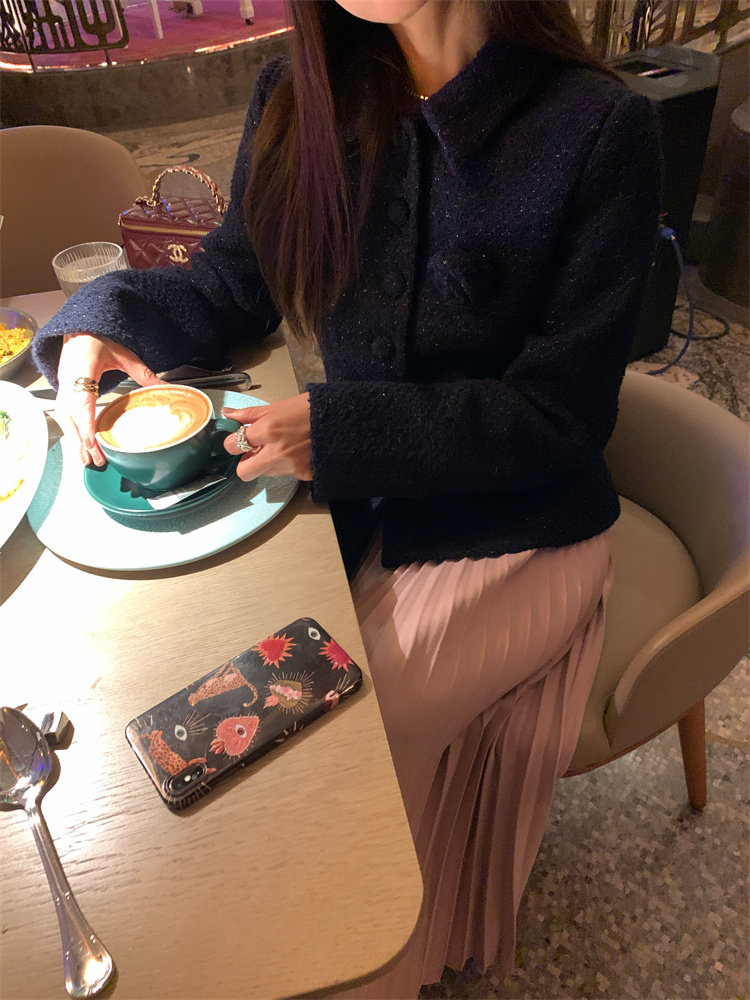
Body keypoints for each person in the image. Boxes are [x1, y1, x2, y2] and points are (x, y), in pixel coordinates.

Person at [33, 0, 662, 994]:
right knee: (203, 690)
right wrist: (101, 321)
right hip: (362, 503)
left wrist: (337, 434)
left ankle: (356, 963)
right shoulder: (300, 95)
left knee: (335, 746)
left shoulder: (595, 127)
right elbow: (234, 283)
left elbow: (559, 416)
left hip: (521, 527)